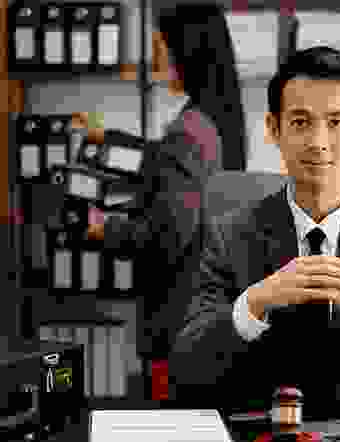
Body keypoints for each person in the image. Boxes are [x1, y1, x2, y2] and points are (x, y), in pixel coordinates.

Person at [169, 46, 340, 418]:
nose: (318, 142)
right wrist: (255, 302)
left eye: (335, 122)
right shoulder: (229, 235)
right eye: (301, 122)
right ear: (274, 129)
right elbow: (187, 369)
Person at [82, 4, 246, 392]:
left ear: (187, 54)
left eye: (163, 48)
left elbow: (166, 237)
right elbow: (170, 172)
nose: (158, 61)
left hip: (175, 323)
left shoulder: (188, 132)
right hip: (208, 316)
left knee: (168, 413)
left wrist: (105, 229)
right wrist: (109, 142)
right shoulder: (219, 123)